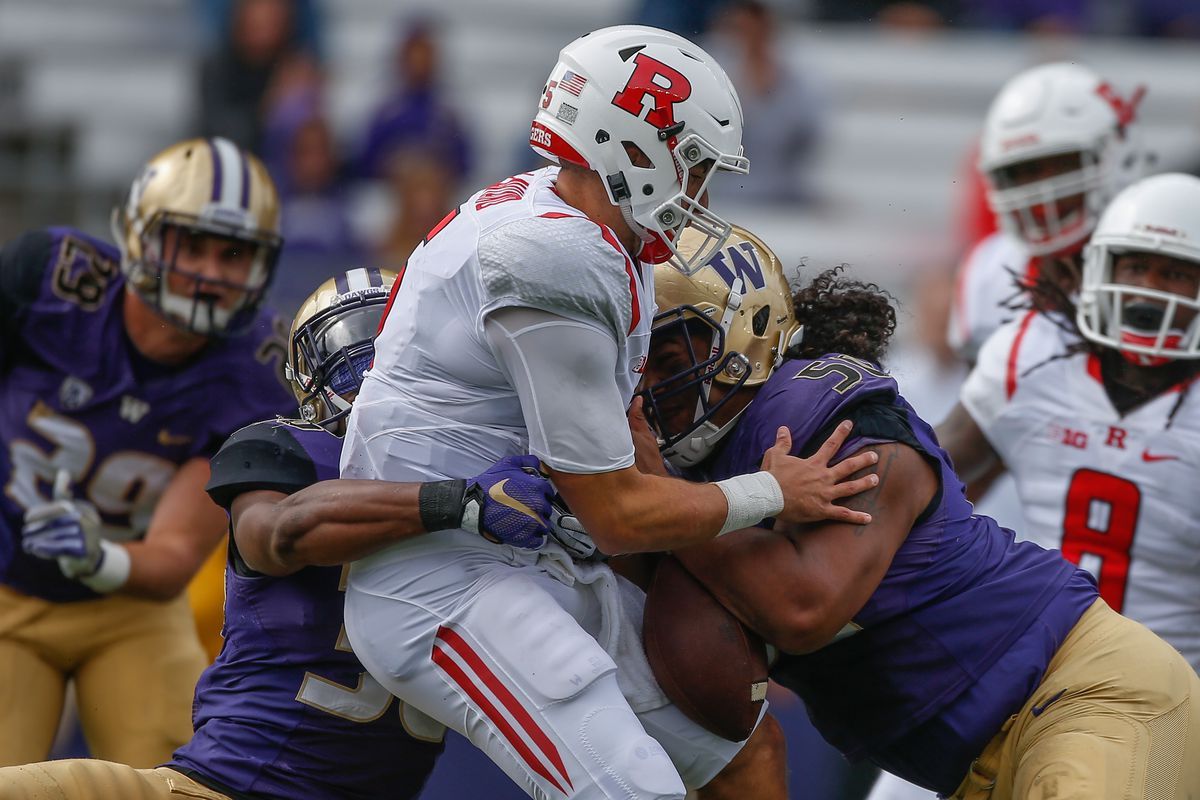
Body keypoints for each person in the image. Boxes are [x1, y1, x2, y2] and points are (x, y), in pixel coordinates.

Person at [340, 24, 880, 800]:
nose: (697, 191)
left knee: (745, 753)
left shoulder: (558, 213)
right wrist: (771, 494)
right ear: (635, 148)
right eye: (691, 163)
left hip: (532, 556)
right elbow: (618, 514)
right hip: (441, 587)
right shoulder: (554, 255)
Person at [640, 224, 1200, 799]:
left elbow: (803, 606)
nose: (650, 387)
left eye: (668, 358)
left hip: (1083, 697)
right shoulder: (688, 468)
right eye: (639, 364)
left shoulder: (828, 421)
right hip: (965, 766)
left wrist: (661, 505)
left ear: (743, 336)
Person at [0, 267, 567, 799]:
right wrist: (460, 504)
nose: (373, 373)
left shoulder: (502, 477)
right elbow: (276, 537)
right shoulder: (292, 449)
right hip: (224, 783)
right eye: (354, 357)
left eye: (392, 349)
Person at [0, 137, 293, 767]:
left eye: (234, 253)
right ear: (140, 234)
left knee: (181, 778)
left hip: (128, 604)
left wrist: (96, 556)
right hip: (4, 580)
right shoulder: (48, 283)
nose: (213, 272)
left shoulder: (255, 372)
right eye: (191, 244)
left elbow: (172, 556)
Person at [948, 61, 1148, 364]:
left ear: (1116, 153)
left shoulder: (1162, 262)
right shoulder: (988, 270)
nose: (1043, 193)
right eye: (1022, 172)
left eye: (1062, 164)